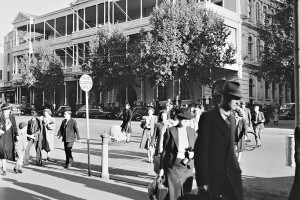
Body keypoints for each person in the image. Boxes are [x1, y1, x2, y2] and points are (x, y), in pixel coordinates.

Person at [194, 80, 244, 200]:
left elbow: (231, 147)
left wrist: (237, 169)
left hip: (232, 176)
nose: (238, 102)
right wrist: (202, 180)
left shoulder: (232, 118)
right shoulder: (207, 117)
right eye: (235, 98)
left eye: (239, 99)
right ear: (225, 98)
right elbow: (201, 151)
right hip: (214, 177)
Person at [158, 108, 196, 200]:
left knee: (186, 192)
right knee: (174, 193)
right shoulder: (170, 131)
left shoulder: (192, 131)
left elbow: (196, 147)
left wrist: (193, 154)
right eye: (184, 119)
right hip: (173, 167)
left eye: (188, 120)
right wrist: (161, 168)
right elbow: (165, 151)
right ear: (178, 118)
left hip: (187, 167)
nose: (186, 121)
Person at [0, 103, 19, 176]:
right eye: (7, 110)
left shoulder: (12, 117)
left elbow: (14, 127)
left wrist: (17, 135)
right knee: (2, 152)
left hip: (9, 136)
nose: (8, 111)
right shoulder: (0, 116)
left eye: (9, 110)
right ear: (3, 110)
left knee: (6, 152)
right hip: (1, 136)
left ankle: (3, 167)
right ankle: (4, 168)